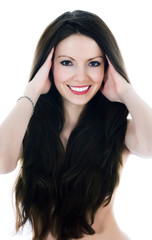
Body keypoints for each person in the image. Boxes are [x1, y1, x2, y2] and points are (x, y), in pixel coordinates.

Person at [0, 10, 152, 240]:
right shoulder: (29, 130)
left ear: (107, 68)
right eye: (67, 62)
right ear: (48, 66)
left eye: (93, 63)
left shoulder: (118, 129)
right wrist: (32, 90)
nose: (81, 77)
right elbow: (2, 162)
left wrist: (125, 90)